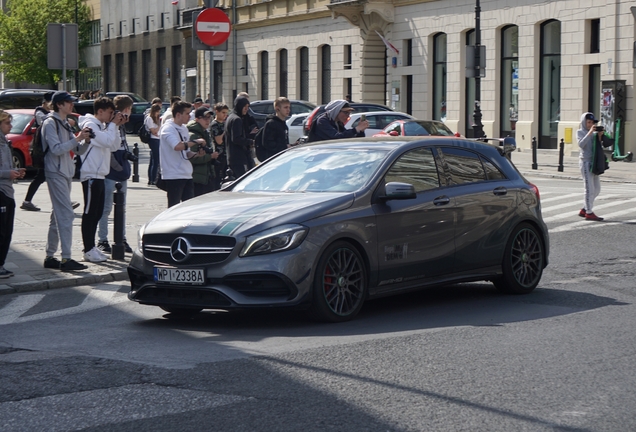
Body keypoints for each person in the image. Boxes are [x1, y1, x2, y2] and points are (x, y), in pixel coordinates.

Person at [42, 91, 93, 271]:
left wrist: (85, 140)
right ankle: (66, 259)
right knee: (66, 214)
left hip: (65, 172)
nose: (72, 105)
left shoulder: (64, 123)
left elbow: (77, 150)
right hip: (55, 172)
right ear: (59, 105)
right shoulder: (50, 123)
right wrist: (78, 138)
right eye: (69, 102)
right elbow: (56, 149)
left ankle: (50, 256)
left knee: (57, 214)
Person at [78, 97, 124, 262]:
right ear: (100, 111)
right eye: (110, 113)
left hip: (100, 174)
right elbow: (105, 141)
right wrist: (112, 125)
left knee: (97, 213)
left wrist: (116, 127)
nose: (112, 116)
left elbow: (113, 146)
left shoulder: (103, 126)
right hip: (90, 175)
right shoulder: (90, 125)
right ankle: (88, 248)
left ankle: (91, 247)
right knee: (90, 213)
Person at [97, 95, 135, 254]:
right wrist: (118, 166)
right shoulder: (111, 123)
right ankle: (102, 239)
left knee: (121, 208)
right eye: (130, 109)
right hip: (112, 171)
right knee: (106, 208)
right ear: (126, 109)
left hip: (120, 171)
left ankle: (121, 238)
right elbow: (109, 148)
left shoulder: (121, 124)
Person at [159, 100, 202, 207]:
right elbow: (177, 146)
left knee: (188, 207)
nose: (189, 116)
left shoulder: (183, 128)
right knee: (174, 206)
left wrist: (197, 154)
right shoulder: (168, 128)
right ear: (178, 114)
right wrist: (196, 141)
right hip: (173, 174)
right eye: (187, 113)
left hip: (186, 173)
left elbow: (186, 152)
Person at [0, 110, 26, 278]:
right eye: (7, 123)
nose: (10, 126)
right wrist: (7, 173)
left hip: (8, 190)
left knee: (7, 230)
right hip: (1, 191)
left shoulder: (5, 142)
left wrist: (15, 171)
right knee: (1, 231)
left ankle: (1, 264)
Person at [21, 91, 55, 212]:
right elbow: (44, 122)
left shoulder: (48, 113)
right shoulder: (41, 113)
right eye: (52, 102)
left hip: (47, 150)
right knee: (44, 176)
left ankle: (27, 200)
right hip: (42, 150)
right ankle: (27, 201)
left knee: (43, 176)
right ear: (45, 103)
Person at [577, 112, 604, 221]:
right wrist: (589, 133)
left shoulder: (593, 133)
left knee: (597, 189)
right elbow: (581, 144)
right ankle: (589, 212)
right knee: (589, 189)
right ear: (584, 122)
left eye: (592, 122)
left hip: (594, 162)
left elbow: (598, 146)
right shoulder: (579, 132)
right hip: (585, 162)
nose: (590, 124)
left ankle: (584, 208)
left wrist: (599, 136)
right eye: (588, 122)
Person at [187, 107, 218, 196]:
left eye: (209, 118)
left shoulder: (205, 133)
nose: (207, 120)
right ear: (197, 119)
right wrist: (210, 156)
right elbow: (192, 157)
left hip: (206, 177)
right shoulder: (193, 136)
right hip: (196, 179)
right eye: (205, 118)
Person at [225, 95, 255, 178]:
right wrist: (251, 142)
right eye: (244, 106)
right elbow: (236, 138)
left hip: (233, 157)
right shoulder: (237, 119)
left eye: (248, 106)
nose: (246, 109)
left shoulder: (230, 117)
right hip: (239, 158)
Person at [210, 103, 229, 189]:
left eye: (226, 113)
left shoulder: (225, 123)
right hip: (219, 155)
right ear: (217, 112)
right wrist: (226, 131)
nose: (225, 115)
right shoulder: (214, 124)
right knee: (218, 178)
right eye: (223, 112)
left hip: (226, 154)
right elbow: (219, 141)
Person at [145, 103, 162, 185]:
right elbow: (154, 131)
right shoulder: (150, 119)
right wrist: (158, 126)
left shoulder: (156, 118)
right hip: (153, 140)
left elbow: (156, 131)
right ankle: (153, 179)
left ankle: (151, 178)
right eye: (157, 111)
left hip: (157, 138)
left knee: (153, 160)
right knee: (156, 160)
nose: (158, 113)